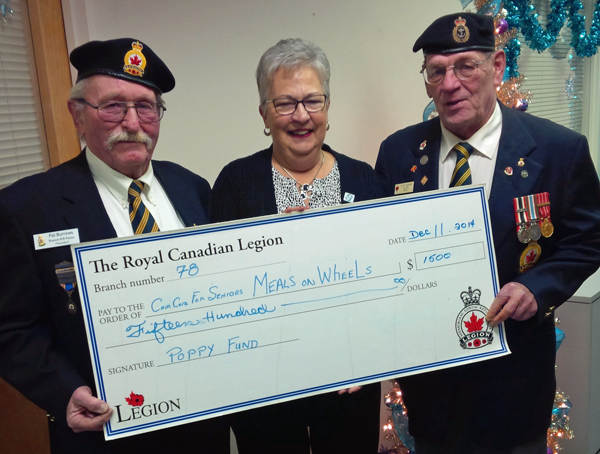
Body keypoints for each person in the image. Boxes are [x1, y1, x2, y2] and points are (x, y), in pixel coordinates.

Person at [375, 12, 600, 454]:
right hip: (430, 391)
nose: (450, 84)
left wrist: (537, 287)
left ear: (497, 67)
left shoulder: (557, 150)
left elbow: (589, 239)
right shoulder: (399, 152)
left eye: (465, 67)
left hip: (514, 386)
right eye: (436, 71)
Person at [0, 38, 229, 453]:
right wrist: (63, 391)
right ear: (77, 115)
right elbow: (12, 328)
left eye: (146, 107)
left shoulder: (192, 187)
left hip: (200, 426)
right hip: (102, 433)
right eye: (112, 107)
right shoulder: (26, 208)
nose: (133, 122)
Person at [212, 38, 384, 454]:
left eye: (312, 100)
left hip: (351, 383)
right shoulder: (235, 184)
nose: (301, 116)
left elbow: (384, 281)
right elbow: (219, 287)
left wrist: (375, 354)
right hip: (265, 388)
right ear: (264, 114)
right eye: (285, 103)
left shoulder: (366, 180)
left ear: (328, 106)